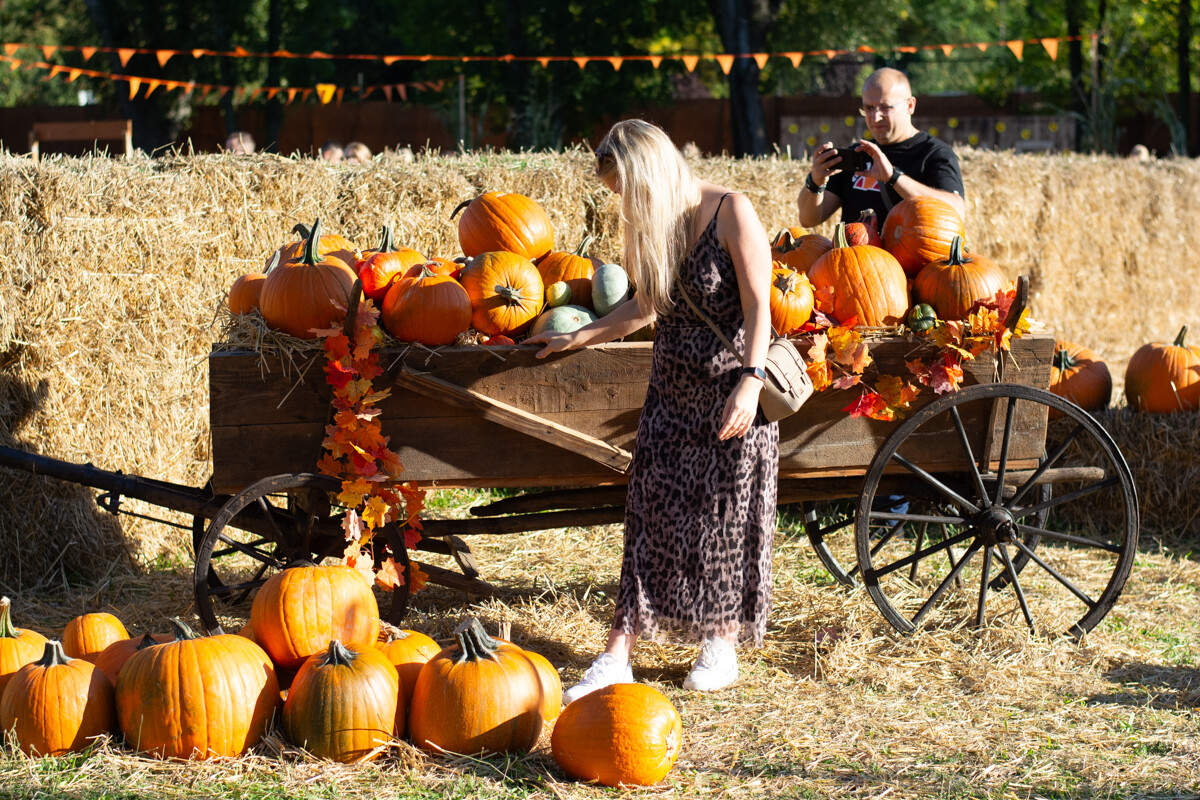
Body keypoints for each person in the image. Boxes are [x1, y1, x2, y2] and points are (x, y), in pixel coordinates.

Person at [525, 119, 778, 701]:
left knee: (721, 520)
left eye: (626, 191)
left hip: (729, 391)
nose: (623, 204)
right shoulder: (657, 226)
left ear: (650, 175)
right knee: (648, 513)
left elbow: (760, 303)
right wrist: (580, 335)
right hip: (670, 391)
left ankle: (721, 642)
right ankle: (618, 653)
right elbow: (644, 305)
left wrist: (750, 379)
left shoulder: (730, 211)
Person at [798, 67, 966, 228]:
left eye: (885, 108)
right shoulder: (858, 153)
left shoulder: (933, 153)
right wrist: (816, 180)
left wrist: (894, 177)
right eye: (869, 108)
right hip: (856, 257)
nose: (875, 117)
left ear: (910, 106)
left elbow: (957, 213)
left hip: (907, 255)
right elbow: (808, 220)